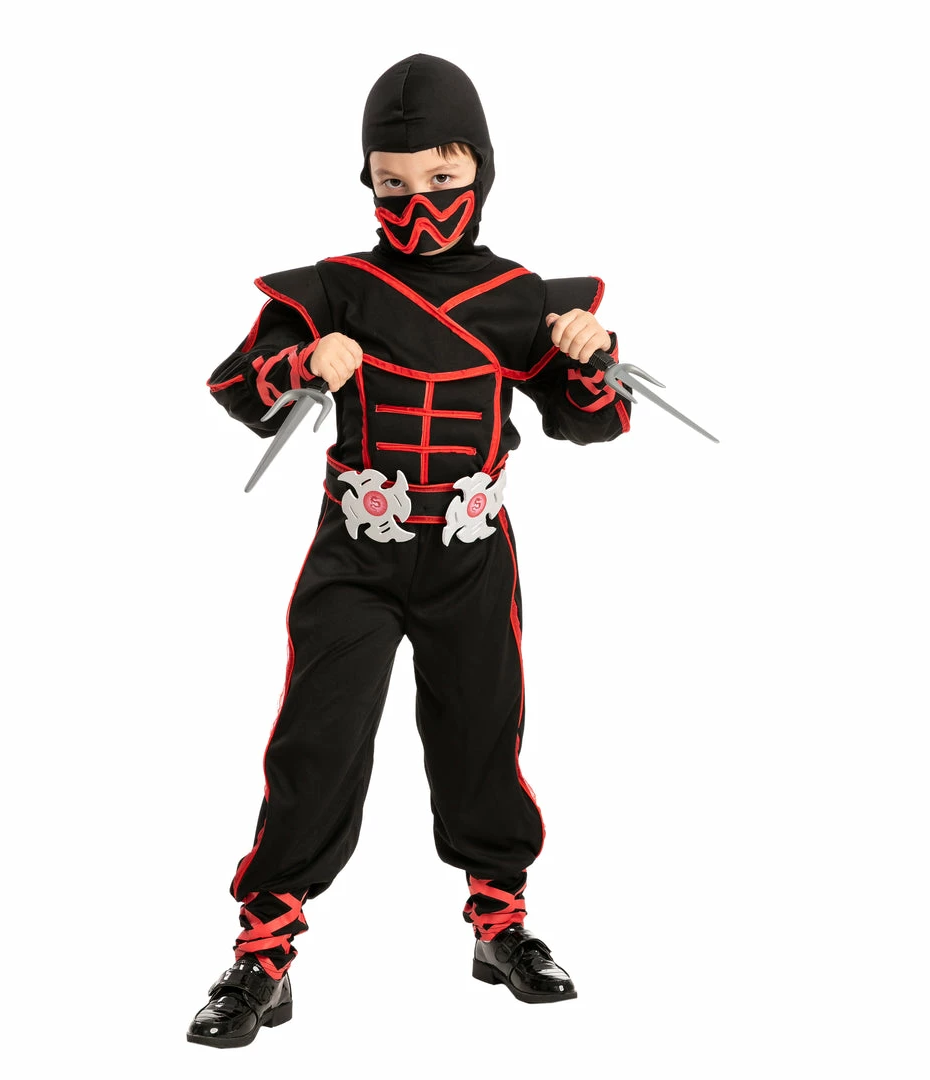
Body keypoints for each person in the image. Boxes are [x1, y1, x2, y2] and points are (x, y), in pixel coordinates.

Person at [188, 53, 631, 1049]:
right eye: (392, 182)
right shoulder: (336, 289)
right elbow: (235, 384)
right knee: (318, 738)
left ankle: (500, 924)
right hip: (360, 548)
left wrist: (588, 354)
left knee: (483, 728)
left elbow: (593, 421)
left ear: (479, 170)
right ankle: (264, 950)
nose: (417, 199)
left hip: (471, 549)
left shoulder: (520, 296)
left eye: (440, 176)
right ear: (367, 180)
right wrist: (302, 360)